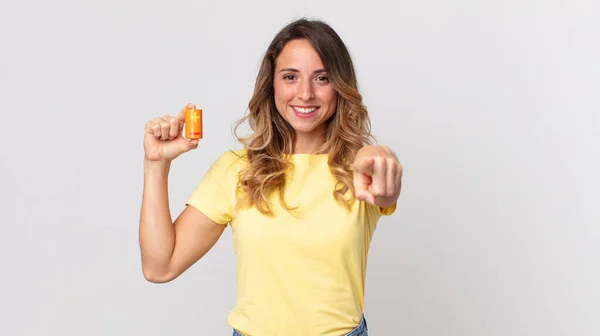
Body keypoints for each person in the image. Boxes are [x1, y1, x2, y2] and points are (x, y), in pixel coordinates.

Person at [139, 18, 403, 336]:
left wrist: (383, 158)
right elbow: (159, 266)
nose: (305, 93)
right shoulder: (236, 169)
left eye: (322, 78)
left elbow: (385, 187)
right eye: (290, 77)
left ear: (339, 86)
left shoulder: (359, 170)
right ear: (272, 84)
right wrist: (156, 164)